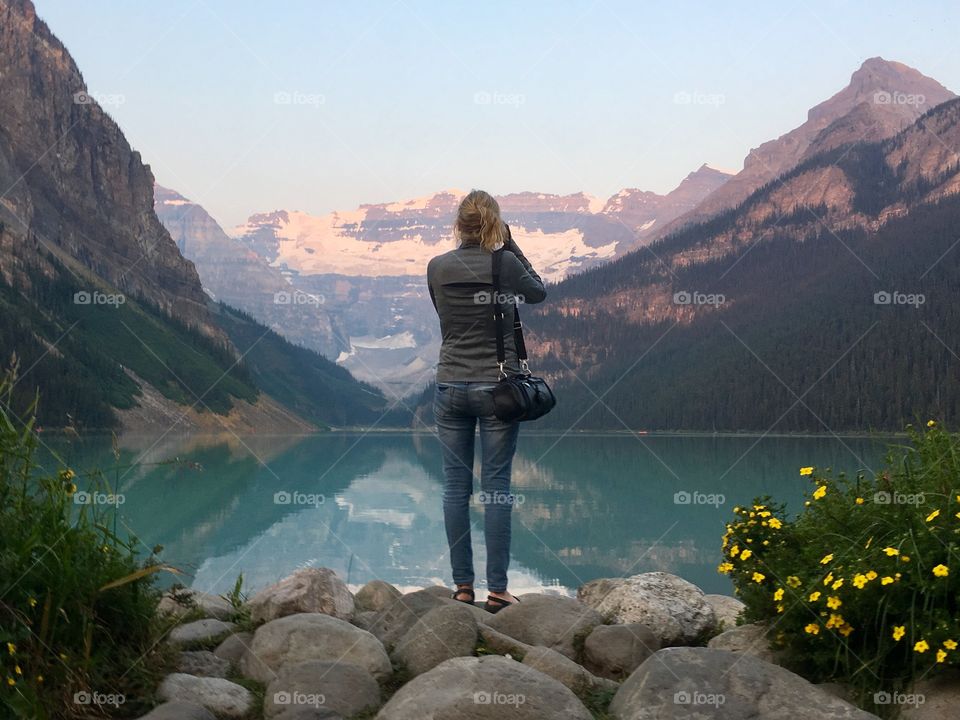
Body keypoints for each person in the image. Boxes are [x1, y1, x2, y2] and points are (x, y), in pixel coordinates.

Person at [426, 189, 547, 613]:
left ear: (458, 225)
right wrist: (510, 245)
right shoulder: (505, 263)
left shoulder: (436, 267)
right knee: (496, 489)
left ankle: (462, 587)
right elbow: (538, 293)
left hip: (449, 386)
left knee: (455, 489)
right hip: (497, 391)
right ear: (493, 224)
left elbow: (445, 316)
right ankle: (497, 590)